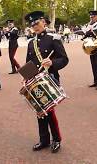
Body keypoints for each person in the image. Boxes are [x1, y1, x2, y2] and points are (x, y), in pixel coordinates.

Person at [24, 11, 69, 153]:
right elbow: (29, 62)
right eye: (32, 25)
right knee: (39, 111)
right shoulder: (31, 42)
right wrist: (25, 76)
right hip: (35, 81)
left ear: (43, 22)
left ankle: (56, 139)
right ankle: (44, 140)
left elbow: (64, 59)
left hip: (50, 78)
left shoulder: (54, 38)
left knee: (49, 110)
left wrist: (52, 62)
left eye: (36, 23)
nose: (35, 27)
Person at [84, 10, 97, 89]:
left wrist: (93, 32)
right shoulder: (89, 24)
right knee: (93, 65)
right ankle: (96, 81)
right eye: (90, 17)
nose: (91, 18)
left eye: (93, 17)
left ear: (96, 16)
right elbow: (86, 34)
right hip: (91, 46)